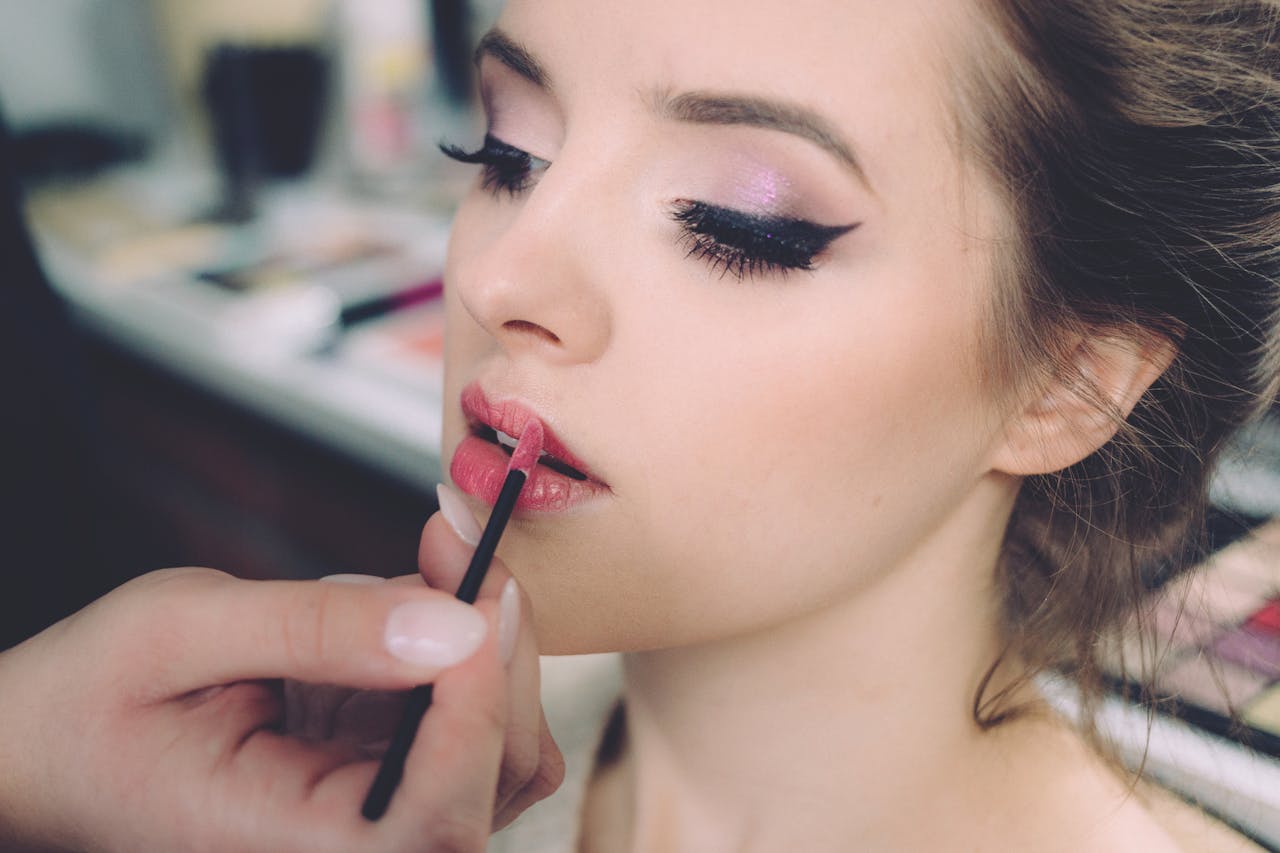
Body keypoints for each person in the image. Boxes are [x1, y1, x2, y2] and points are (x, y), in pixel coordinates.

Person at [434, 0, 1280, 850]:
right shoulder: (426, 767)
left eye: (738, 224)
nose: (497, 280)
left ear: (1070, 382)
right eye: (512, 154)